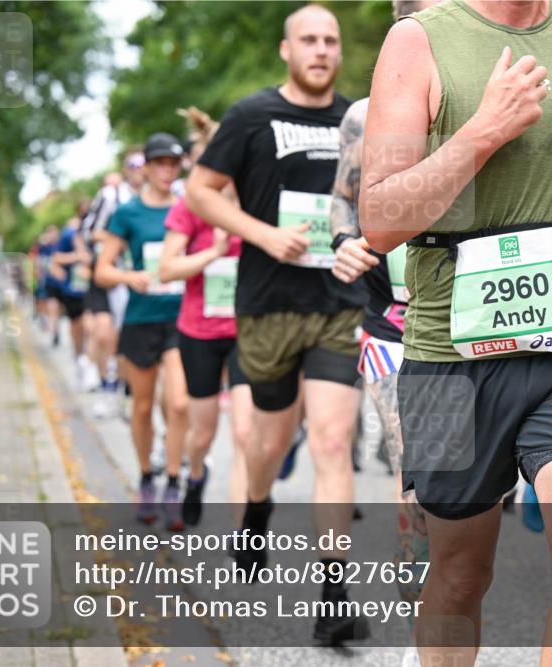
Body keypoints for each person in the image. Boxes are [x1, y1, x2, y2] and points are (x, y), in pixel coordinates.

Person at [361, 2, 552, 665]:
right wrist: (481, 133)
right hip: (448, 358)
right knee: (459, 574)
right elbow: (381, 219)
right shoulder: (417, 42)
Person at [186, 4, 369, 647]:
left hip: (339, 303)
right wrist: (262, 235)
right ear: (285, 50)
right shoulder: (250, 115)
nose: (321, 50)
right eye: (308, 40)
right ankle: (256, 509)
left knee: (332, 440)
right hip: (267, 304)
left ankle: (333, 597)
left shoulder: (358, 119)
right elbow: (200, 191)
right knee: (266, 446)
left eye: (331, 40)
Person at [328, 2, 437, 664]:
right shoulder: (364, 116)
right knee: (420, 474)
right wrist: (343, 241)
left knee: (477, 487)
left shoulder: (495, 102)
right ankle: (423, 632)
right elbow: (343, 198)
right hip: (393, 327)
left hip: (485, 324)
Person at [158, 106, 252, 529]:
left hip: (247, 331)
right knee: (202, 434)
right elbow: (166, 269)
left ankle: (245, 535)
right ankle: (195, 476)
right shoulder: (191, 207)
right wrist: (212, 252)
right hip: (199, 332)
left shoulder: (252, 201)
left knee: (245, 435)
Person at [96, 133, 191, 532]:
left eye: (173, 163)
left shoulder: (188, 207)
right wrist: (129, 276)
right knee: (141, 406)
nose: (167, 170)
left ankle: (174, 482)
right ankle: (146, 478)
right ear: (146, 167)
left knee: (180, 404)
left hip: (180, 319)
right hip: (140, 319)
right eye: (160, 163)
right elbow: (102, 270)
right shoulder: (128, 213)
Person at [82, 147, 144, 418]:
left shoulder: (159, 196)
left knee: (126, 341)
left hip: (138, 278)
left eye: (143, 163)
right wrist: (118, 241)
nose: (139, 169)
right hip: (108, 275)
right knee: (105, 334)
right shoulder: (111, 195)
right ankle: (107, 389)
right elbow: (89, 231)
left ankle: (125, 392)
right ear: (125, 168)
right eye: (133, 164)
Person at [51, 209, 95, 388]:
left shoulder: (94, 235)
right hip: (72, 291)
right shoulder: (67, 236)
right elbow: (56, 258)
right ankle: (78, 356)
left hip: (91, 291)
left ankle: (88, 362)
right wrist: (75, 257)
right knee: (76, 326)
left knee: (89, 326)